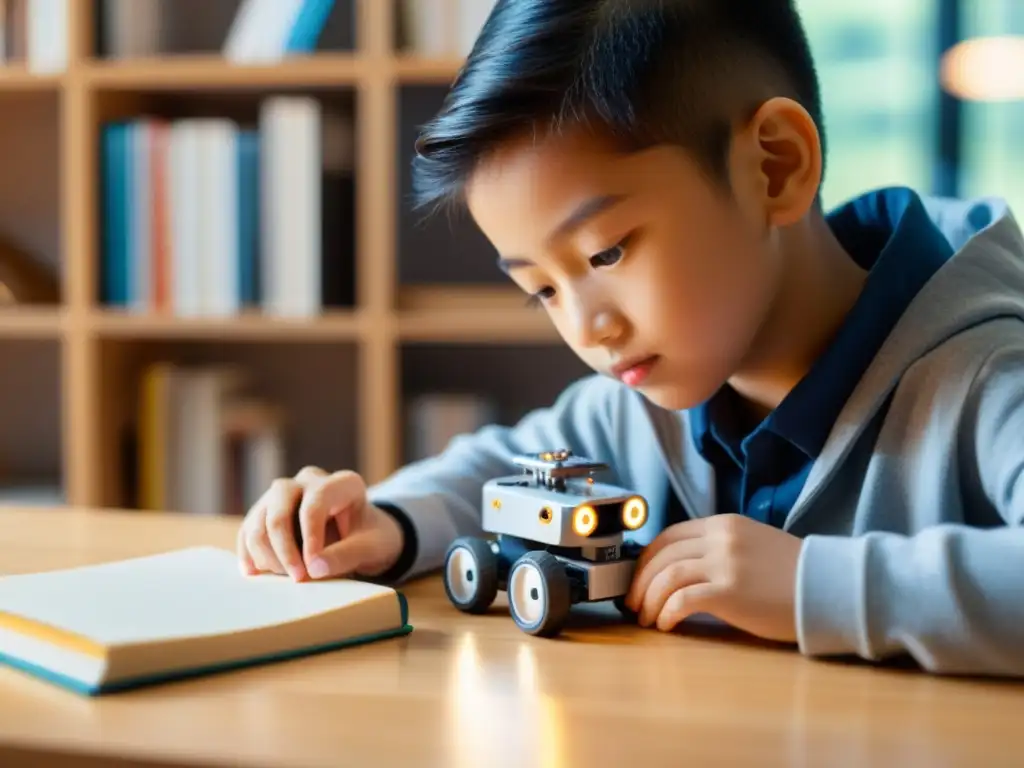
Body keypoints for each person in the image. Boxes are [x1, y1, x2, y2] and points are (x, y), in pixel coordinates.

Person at [236, 0, 1024, 677]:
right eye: (541, 289)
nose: (586, 327)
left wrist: (812, 588)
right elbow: (502, 470)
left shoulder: (988, 369)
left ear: (775, 167)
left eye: (607, 252)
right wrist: (388, 523)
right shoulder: (648, 399)